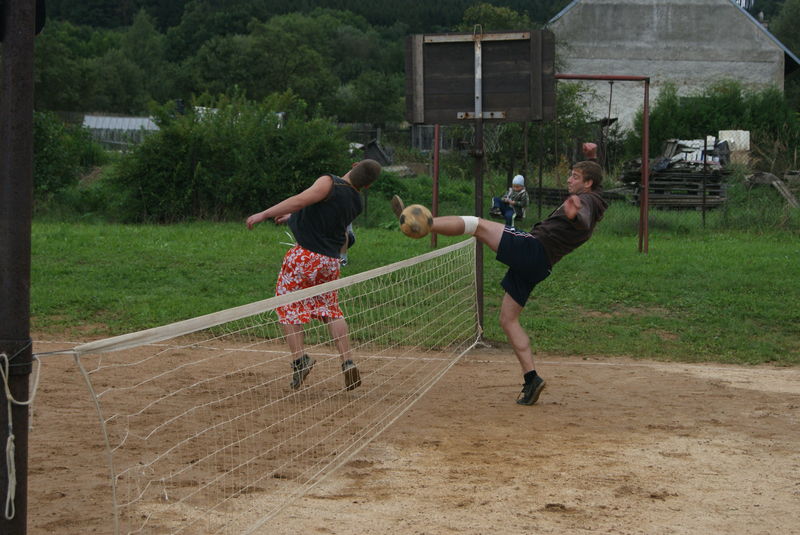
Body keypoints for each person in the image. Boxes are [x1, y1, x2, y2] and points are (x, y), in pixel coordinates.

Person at [392, 161, 607, 405]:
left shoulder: (587, 201)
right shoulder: (593, 199)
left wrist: (575, 213)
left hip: (534, 249)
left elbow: (584, 216)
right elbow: (587, 213)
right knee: (508, 319)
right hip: (541, 264)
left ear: (588, 183)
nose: (569, 179)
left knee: (477, 224)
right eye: (571, 175)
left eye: (575, 176)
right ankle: (532, 379)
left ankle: (422, 224)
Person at [246, 159, 382, 391]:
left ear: (354, 164)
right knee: (331, 310)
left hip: (305, 257)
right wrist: (294, 218)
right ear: (367, 185)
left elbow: (300, 200)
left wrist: (264, 213)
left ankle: (300, 360)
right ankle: (347, 361)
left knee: (288, 306)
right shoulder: (356, 203)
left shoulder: (330, 182)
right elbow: (325, 218)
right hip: (330, 262)